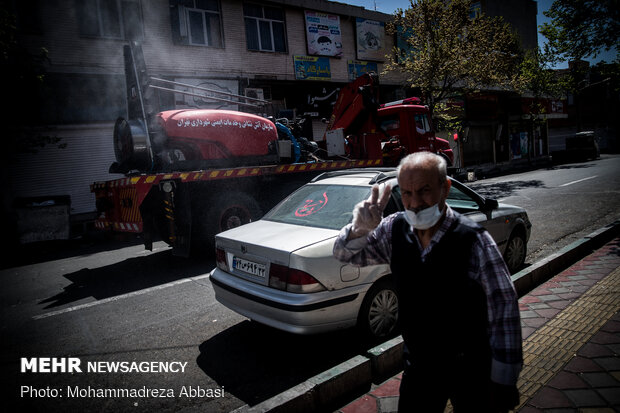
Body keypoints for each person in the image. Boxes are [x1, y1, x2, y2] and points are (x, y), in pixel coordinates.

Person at [333, 152, 522, 412]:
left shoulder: (473, 239)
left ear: (445, 188)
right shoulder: (393, 229)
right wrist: (359, 228)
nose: (414, 203)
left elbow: (504, 309)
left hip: (471, 365)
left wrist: (504, 380)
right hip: (419, 364)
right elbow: (345, 254)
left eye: (424, 191)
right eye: (407, 193)